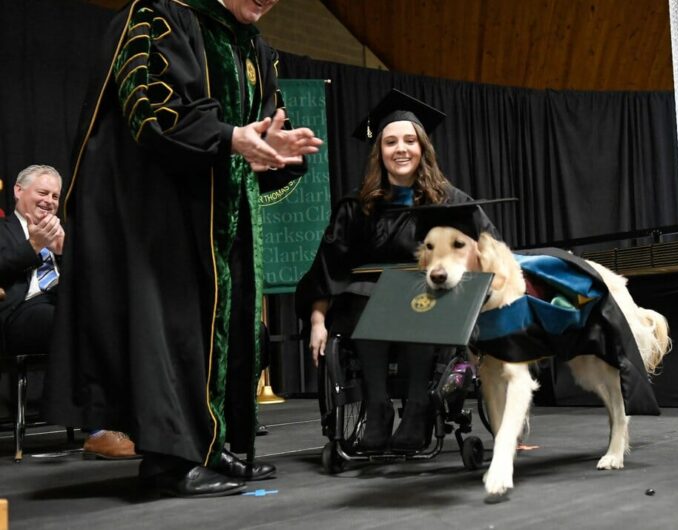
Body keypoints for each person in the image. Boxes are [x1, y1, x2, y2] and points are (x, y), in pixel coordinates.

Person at [45, 0, 323, 498]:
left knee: (222, 327)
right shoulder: (163, 15)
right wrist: (230, 138)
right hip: (158, 211)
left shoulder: (256, 48)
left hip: (220, 209)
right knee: (171, 328)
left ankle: (213, 446)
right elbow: (149, 108)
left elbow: (255, 130)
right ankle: (170, 461)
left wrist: (270, 149)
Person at [295, 89, 498, 452]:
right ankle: (378, 409)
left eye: (409, 141)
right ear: (380, 152)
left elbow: (491, 251)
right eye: (390, 142)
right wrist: (316, 321)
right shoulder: (356, 207)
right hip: (364, 304)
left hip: (429, 303)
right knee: (369, 300)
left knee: (414, 299)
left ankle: (418, 407)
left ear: (423, 149)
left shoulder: (449, 203)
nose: (401, 149)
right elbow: (327, 267)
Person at [1, 165, 137, 460]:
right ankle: (97, 430)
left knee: (114, 316)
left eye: (54, 196)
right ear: (18, 191)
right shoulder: (4, 230)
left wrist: (66, 254)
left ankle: (131, 421)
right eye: (42, 192)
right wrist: (33, 246)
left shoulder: (64, 233)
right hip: (19, 313)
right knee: (75, 322)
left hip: (61, 304)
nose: (49, 201)